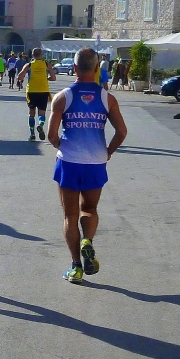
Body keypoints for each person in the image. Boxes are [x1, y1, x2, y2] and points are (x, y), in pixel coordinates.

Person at [47, 47, 127, 285]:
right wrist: (108, 151)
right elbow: (122, 131)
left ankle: (76, 267)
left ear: (74, 68)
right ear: (97, 68)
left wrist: (62, 145)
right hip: (95, 162)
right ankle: (87, 241)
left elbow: (51, 135)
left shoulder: (63, 97)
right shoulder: (107, 98)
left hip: (69, 162)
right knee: (90, 209)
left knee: (70, 215)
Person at [17, 48, 56, 141]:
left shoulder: (29, 65)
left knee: (31, 113)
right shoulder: (47, 64)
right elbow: (54, 78)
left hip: (31, 91)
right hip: (43, 91)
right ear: (41, 55)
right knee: (42, 112)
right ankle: (40, 125)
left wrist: (21, 79)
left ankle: (32, 134)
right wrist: (47, 78)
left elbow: (19, 76)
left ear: (32, 55)